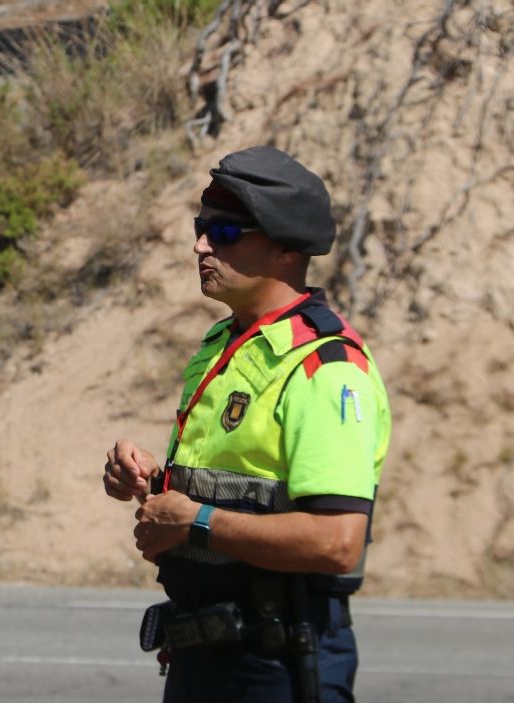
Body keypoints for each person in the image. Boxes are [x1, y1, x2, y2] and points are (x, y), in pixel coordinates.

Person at [102, 145, 390, 703]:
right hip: (204, 653)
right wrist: (152, 484)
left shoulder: (325, 368)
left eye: (226, 232)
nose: (201, 245)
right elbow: (238, 491)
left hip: (280, 664)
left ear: (284, 247)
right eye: (201, 226)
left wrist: (194, 520)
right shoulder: (224, 344)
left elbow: (337, 542)